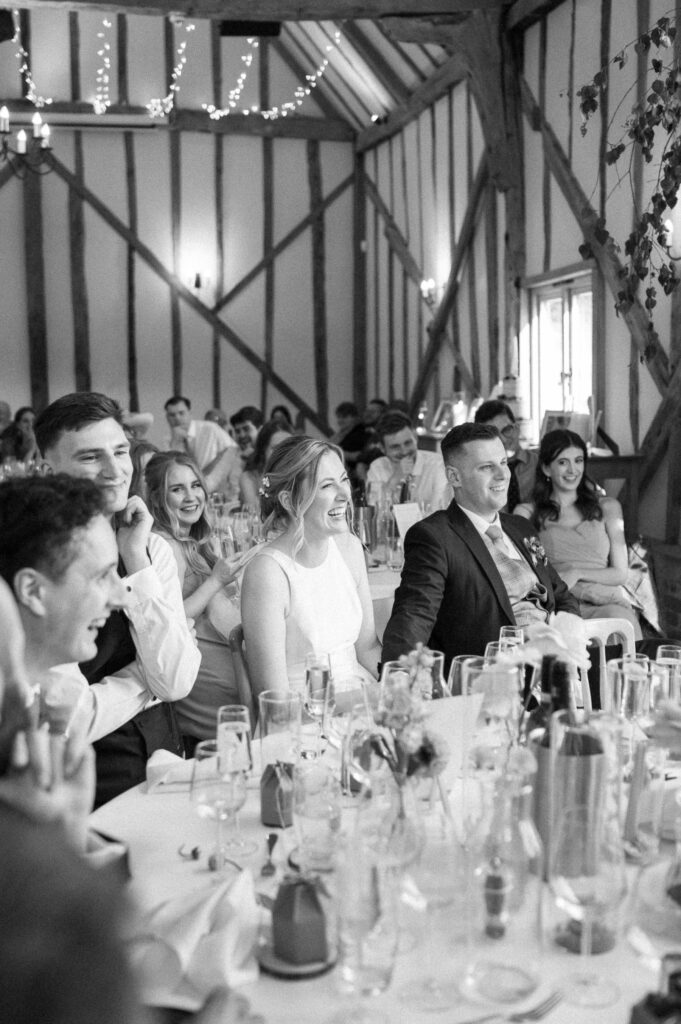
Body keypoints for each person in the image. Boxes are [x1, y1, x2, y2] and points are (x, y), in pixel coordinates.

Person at [35, 392, 200, 807]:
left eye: (121, 451)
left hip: (165, 751)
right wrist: (147, 680)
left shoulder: (149, 548)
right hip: (85, 775)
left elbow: (177, 682)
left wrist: (135, 559)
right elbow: (70, 719)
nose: (114, 470)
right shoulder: (36, 564)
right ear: (47, 469)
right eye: (91, 457)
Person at [381, 422, 580, 673]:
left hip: (552, 674)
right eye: (487, 467)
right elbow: (414, 616)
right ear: (454, 476)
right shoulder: (434, 537)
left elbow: (561, 596)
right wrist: (398, 680)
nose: (502, 475)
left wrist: (566, 639)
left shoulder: (521, 528)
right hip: (490, 680)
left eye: (503, 463)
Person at [241, 436, 381, 698]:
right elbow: (275, 699)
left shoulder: (349, 547)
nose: (344, 495)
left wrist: (399, 683)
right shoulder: (268, 572)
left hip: (362, 700)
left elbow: (368, 647)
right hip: (302, 719)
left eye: (344, 480)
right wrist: (364, 700)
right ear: (288, 499)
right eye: (327, 486)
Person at [145, 451, 243, 752]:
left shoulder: (191, 539)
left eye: (195, 485)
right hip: (200, 678)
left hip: (219, 655)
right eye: (177, 489)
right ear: (159, 499)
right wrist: (216, 580)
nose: (191, 496)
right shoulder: (165, 545)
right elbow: (170, 622)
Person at [514, 428, 641, 639]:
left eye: (578, 460)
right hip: (558, 602)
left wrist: (576, 572)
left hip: (604, 601)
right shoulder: (527, 512)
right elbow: (525, 574)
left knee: (618, 620)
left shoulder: (608, 507)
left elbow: (620, 573)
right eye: (563, 462)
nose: (572, 469)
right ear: (546, 468)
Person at [366, 410, 451, 508]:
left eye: (408, 443)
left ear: (415, 438)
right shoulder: (377, 467)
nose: (404, 451)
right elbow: (373, 511)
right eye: (395, 447)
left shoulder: (437, 465)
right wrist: (396, 479)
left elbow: (440, 510)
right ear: (382, 448)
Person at [474, 399, 538, 512]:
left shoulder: (538, 464)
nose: (502, 440)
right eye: (492, 435)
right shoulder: (478, 474)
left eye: (507, 430)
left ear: (517, 429)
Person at [204, 405, 265, 503]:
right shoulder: (232, 451)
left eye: (246, 429)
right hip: (232, 510)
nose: (242, 435)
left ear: (260, 429)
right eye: (237, 431)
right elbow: (213, 480)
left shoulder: (267, 454)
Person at [164, 395, 235, 470]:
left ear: (190, 413)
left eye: (181, 413)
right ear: (167, 418)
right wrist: (175, 442)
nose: (177, 418)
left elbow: (233, 450)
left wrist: (213, 467)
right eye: (172, 415)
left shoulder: (210, 428)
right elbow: (170, 468)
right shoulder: (168, 439)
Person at [239, 419, 293, 508]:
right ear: (263, 450)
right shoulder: (249, 478)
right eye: (276, 448)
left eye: (288, 447)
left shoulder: (300, 475)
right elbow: (254, 515)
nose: (283, 453)